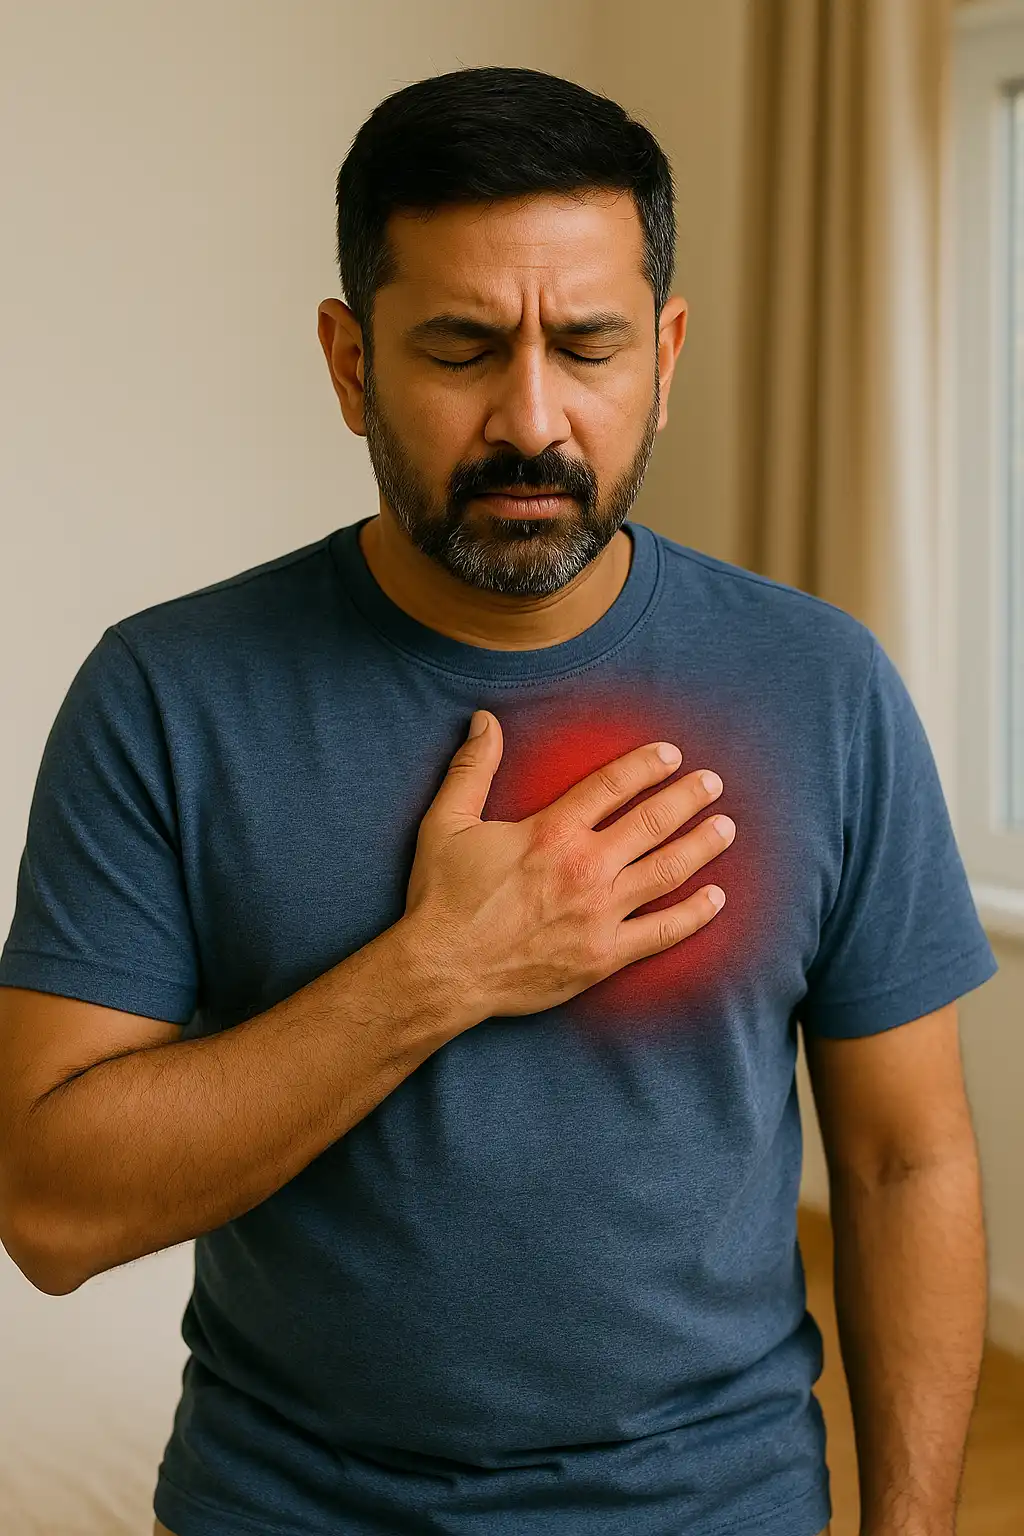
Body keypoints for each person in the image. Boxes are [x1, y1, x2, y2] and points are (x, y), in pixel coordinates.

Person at [0, 64, 995, 1536]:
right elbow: (49, 1211)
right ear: (350, 362)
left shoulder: (822, 685)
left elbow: (908, 1160)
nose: (532, 419)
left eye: (588, 346)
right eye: (462, 349)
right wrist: (440, 972)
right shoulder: (167, 695)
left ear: (665, 353)